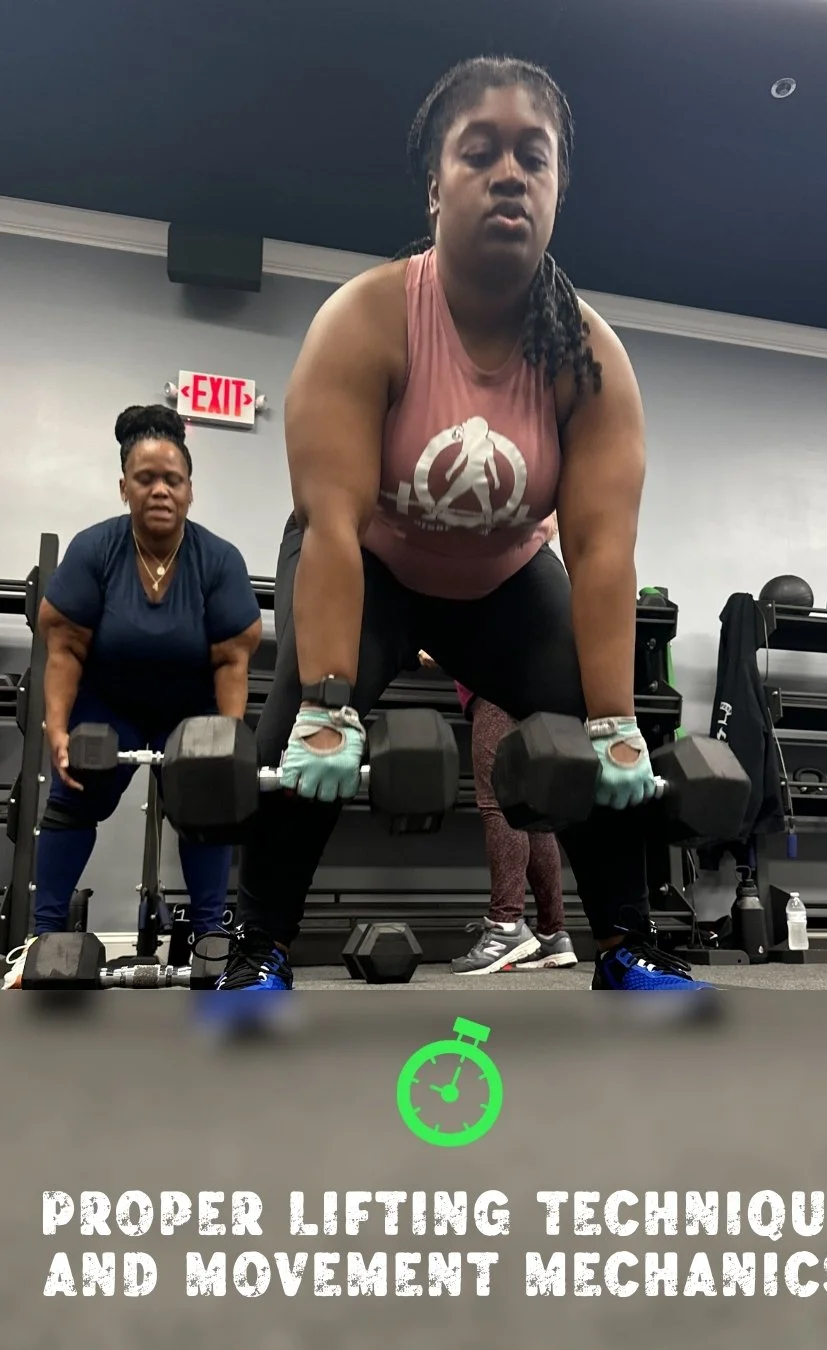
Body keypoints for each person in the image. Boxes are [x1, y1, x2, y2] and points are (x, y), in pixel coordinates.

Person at [217, 55, 713, 995]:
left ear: (560, 188)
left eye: (536, 156)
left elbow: (604, 553)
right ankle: (258, 946)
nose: (510, 173)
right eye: (479, 152)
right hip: (370, 563)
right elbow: (327, 525)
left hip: (504, 581)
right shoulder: (366, 320)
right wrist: (327, 707)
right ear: (435, 186)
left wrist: (613, 724)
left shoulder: (589, 355)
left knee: (598, 736)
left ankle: (629, 945)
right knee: (295, 731)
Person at [3, 404, 262, 988]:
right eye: (146, 479)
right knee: (72, 796)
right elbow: (64, 648)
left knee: (209, 809)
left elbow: (230, 660)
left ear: (190, 490)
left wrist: (225, 742)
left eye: (173, 479)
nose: (161, 490)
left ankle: (209, 940)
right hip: (109, 700)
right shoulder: (96, 550)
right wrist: (58, 731)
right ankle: (39, 939)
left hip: (191, 705)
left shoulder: (218, 559)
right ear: (124, 487)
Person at [416, 645, 575, 974]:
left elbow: (481, 626)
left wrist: (444, 650)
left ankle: (506, 928)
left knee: (498, 803)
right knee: (531, 814)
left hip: (496, 684)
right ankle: (552, 934)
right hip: (534, 686)